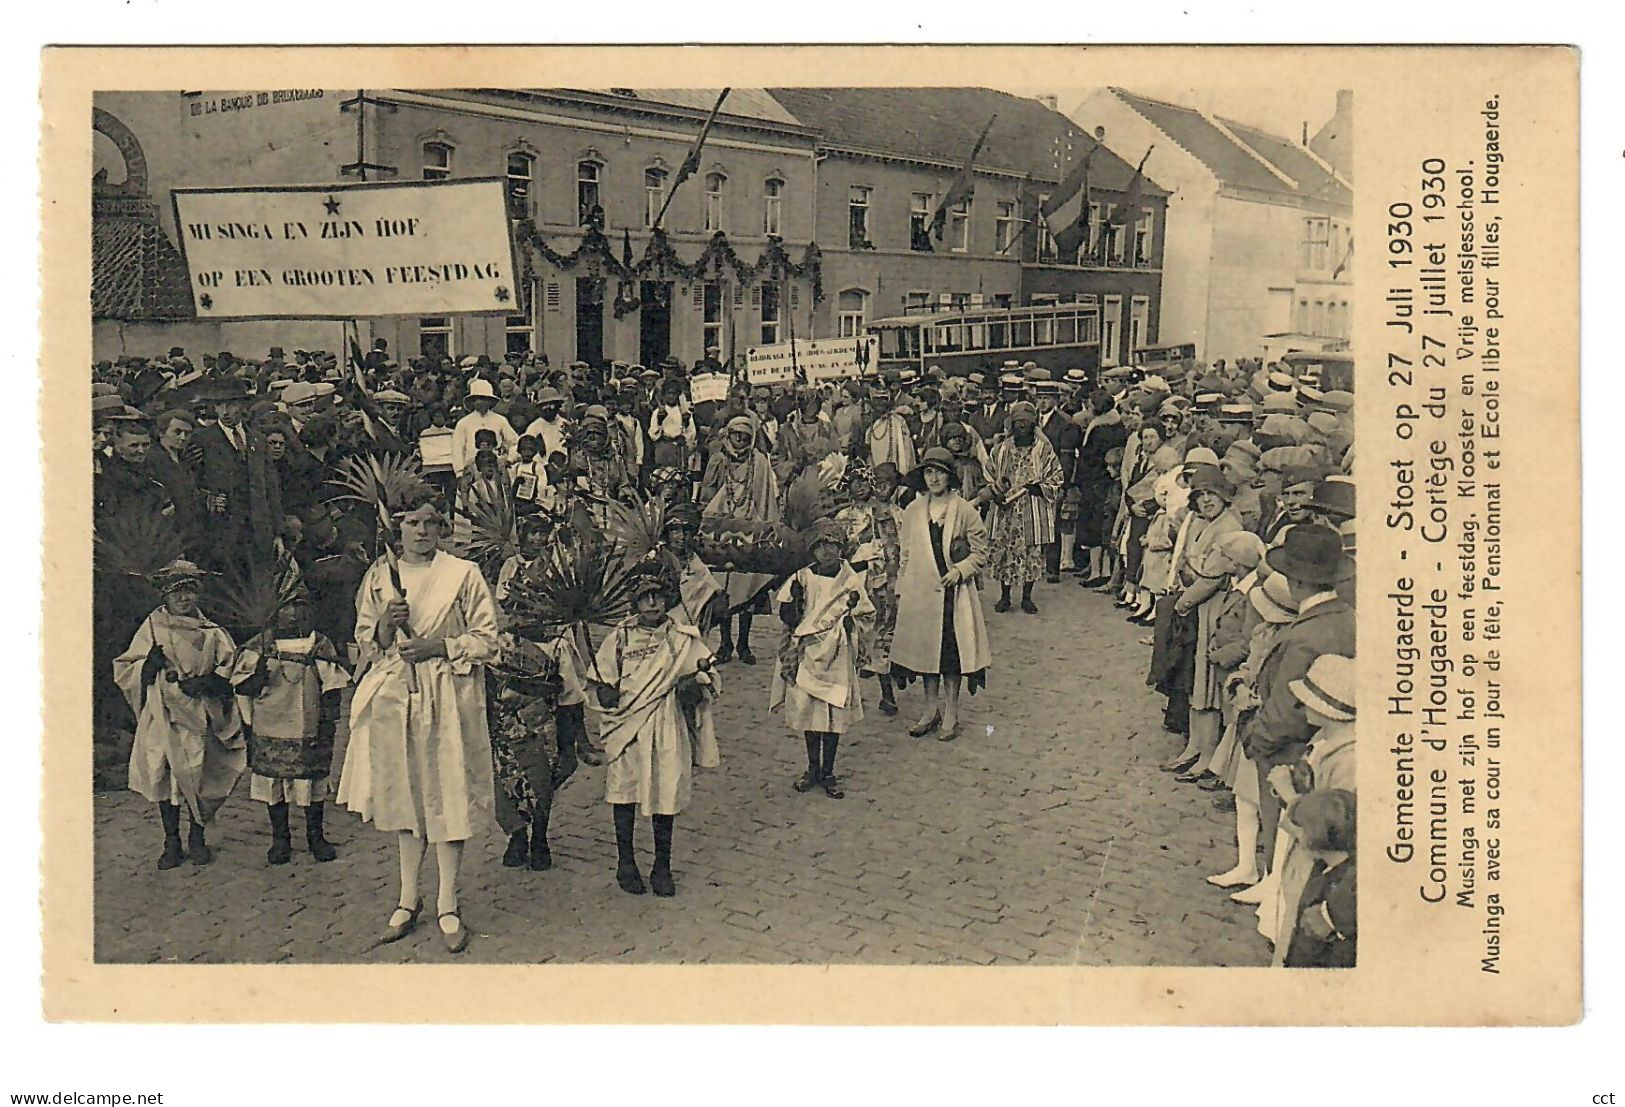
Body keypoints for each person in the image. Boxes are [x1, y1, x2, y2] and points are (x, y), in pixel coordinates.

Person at [336, 494, 501, 954]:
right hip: (398, 696)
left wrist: (439, 647)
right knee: (407, 795)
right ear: (398, 528)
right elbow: (367, 642)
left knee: (446, 791)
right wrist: (388, 627)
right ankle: (409, 898)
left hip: (449, 694)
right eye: (412, 523)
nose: (422, 531)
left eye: (431, 522)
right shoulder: (379, 577)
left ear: (443, 527)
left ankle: (448, 903)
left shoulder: (462, 575)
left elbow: (489, 639)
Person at [591, 569, 721, 897]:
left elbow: (707, 682)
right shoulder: (619, 637)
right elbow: (601, 679)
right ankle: (626, 863)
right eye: (645, 597)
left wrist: (691, 684)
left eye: (658, 596)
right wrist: (605, 691)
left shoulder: (683, 638)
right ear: (634, 602)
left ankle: (662, 866)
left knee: (666, 791)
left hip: (665, 723)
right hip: (628, 726)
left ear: (667, 600)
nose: (652, 603)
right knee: (624, 792)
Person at [113, 560, 246, 869]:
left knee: (198, 774)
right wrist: (148, 664)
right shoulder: (153, 628)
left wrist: (210, 682)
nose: (184, 599)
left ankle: (196, 835)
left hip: (199, 712)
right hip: (163, 713)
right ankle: (170, 840)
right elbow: (126, 665)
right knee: (165, 773)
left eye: (189, 592)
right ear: (166, 598)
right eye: (177, 594)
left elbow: (231, 666)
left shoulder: (212, 632)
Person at [229, 600, 350, 865]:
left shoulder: (318, 644)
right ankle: (280, 839)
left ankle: (315, 837)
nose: (294, 615)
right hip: (270, 723)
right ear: (275, 610)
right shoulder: (259, 646)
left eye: (301, 606)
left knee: (311, 782)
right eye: (287, 607)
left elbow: (333, 686)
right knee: (275, 784)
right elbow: (242, 687)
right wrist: (257, 675)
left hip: (309, 724)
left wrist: (329, 720)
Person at [890, 448, 991, 743]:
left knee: (950, 655)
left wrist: (960, 571)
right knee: (925, 655)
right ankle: (930, 709)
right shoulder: (913, 510)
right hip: (921, 594)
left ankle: (951, 712)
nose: (934, 478)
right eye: (928, 473)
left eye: (940, 473)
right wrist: (901, 589)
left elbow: (980, 552)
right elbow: (906, 553)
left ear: (950, 477)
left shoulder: (964, 510)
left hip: (952, 594)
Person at [771, 520, 875, 799]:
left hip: (837, 653)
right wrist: (793, 603)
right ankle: (812, 767)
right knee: (809, 711)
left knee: (832, 713)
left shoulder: (850, 580)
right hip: (808, 652)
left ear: (841, 548)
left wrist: (851, 621)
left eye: (833, 546)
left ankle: (828, 770)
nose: (827, 552)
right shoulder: (802, 578)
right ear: (812, 550)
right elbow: (787, 618)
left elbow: (866, 615)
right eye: (821, 547)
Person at [699, 415, 781, 664]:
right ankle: (725, 643)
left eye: (745, 436)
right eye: (736, 435)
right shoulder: (718, 460)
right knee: (722, 587)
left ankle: (744, 644)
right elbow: (706, 494)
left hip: (750, 531)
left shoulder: (759, 463)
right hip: (721, 534)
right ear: (728, 435)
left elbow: (767, 498)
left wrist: (766, 530)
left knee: (747, 589)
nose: (740, 440)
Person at [983, 401, 1064, 615]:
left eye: (1026, 422)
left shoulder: (1043, 450)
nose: (1021, 426)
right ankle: (1005, 596)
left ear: (1033, 424)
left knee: (1030, 553)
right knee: (1004, 552)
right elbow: (989, 474)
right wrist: (996, 494)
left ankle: (1027, 597)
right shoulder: (1001, 450)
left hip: (1031, 509)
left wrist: (1040, 488)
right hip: (1006, 511)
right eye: (1017, 422)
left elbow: (1056, 477)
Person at [835, 462, 903, 716]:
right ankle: (845, 693)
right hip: (853, 583)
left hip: (880, 582)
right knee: (852, 638)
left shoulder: (888, 514)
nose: (861, 487)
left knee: (881, 637)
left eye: (865, 481)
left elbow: (898, 548)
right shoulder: (843, 518)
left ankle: (887, 694)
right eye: (856, 482)